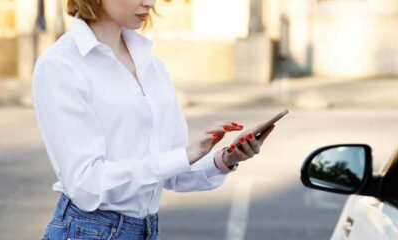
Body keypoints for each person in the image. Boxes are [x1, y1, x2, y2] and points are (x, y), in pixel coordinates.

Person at [32, 0, 275, 239]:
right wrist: (185, 155)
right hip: (88, 231)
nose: (150, 3)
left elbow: (170, 170)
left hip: (145, 229)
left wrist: (225, 157)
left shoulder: (152, 66)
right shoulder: (61, 65)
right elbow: (86, 184)